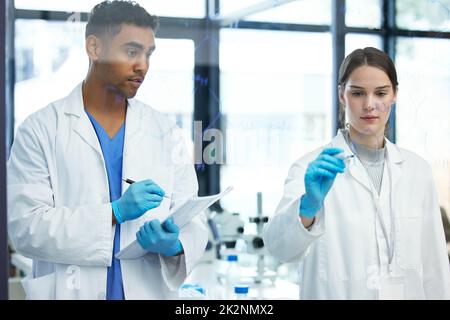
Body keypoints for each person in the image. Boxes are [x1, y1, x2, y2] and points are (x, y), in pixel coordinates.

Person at [7, 0, 208, 300]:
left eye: (148, 53)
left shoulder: (164, 132)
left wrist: (174, 245)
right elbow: (25, 228)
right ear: (94, 48)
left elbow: (192, 218)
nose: (143, 65)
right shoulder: (40, 129)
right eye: (131, 51)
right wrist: (113, 213)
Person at [263, 47, 450, 299]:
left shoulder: (418, 171)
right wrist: (307, 207)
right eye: (358, 93)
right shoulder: (311, 168)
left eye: (381, 93)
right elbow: (278, 249)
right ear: (342, 95)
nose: (369, 104)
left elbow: (435, 267)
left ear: (394, 94)